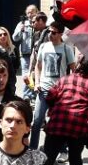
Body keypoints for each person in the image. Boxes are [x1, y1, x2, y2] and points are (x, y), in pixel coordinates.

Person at [43, 57, 88, 165]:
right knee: (75, 160)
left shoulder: (64, 79)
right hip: (77, 129)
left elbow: (49, 96)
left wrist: (54, 108)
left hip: (56, 125)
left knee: (47, 160)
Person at [30, 22, 74, 150]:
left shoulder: (66, 49)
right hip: (43, 90)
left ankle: (62, 149)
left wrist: (68, 86)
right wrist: (37, 82)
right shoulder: (43, 46)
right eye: (49, 31)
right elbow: (38, 67)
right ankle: (33, 149)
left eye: (54, 32)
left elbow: (73, 70)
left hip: (59, 92)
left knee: (59, 123)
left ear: (60, 34)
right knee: (37, 121)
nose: (50, 35)